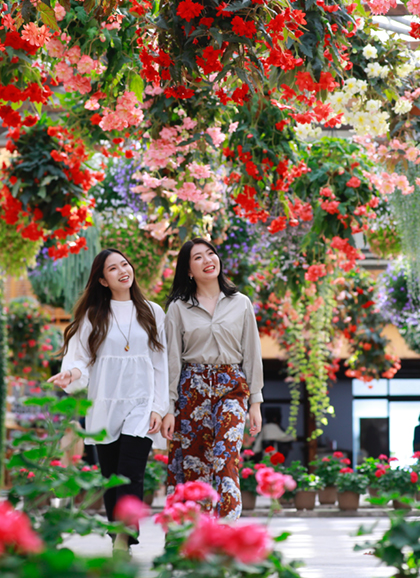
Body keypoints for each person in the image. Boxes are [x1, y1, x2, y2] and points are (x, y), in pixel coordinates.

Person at [48, 249, 167, 553]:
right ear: (102, 280)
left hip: (141, 403)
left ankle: (124, 537)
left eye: (125, 264)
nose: (122, 271)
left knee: (131, 471)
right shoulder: (92, 317)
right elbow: (80, 360)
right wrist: (70, 374)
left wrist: (158, 407)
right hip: (104, 403)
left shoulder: (153, 312)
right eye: (113, 269)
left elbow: (161, 363)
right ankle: (117, 536)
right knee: (112, 475)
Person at [161, 237, 264, 520]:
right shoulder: (178, 309)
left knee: (225, 455)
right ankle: (195, 529)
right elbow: (171, 362)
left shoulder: (240, 303)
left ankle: (226, 527)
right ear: (188, 270)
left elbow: (252, 354)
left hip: (231, 385)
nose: (208, 260)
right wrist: (168, 409)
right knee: (194, 462)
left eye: (211, 253)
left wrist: (255, 402)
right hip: (191, 388)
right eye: (198, 257)